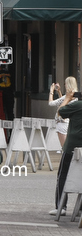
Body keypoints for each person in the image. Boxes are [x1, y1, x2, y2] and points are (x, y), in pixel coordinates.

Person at [52, 85, 82, 216]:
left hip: (72, 147)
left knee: (63, 175)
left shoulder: (78, 105)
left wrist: (68, 98)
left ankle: (61, 206)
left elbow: (61, 112)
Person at [49, 77, 78, 148]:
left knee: (64, 148)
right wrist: (59, 91)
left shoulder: (68, 96)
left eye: (65, 84)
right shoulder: (76, 97)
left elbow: (51, 103)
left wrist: (51, 91)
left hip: (62, 122)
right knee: (70, 147)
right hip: (70, 123)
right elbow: (64, 103)